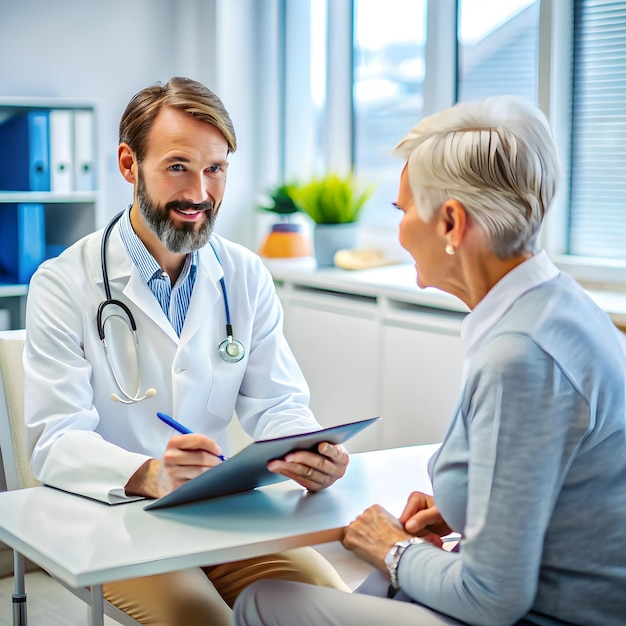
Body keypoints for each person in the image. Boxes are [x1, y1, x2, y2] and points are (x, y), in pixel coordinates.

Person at [232, 95, 626, 625]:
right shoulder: (561, 306)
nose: (398, 229)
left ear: (450, 224)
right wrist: (470, 513)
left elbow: (493, 598)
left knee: (265, 601)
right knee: (371, 589)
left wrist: (392, 548)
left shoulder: (521, 357)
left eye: (402, 210)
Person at [23, 76, 350, 626]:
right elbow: (54, 441)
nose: (200, 191)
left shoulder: (243, 274)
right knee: (205, 620)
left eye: (215, 169)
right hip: (112, 520)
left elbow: (278, 402)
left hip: (217, 514)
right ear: (129, 164)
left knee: (327, 607)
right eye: (178, 166)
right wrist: (152, 473)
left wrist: (304, 450)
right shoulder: (62, 283)